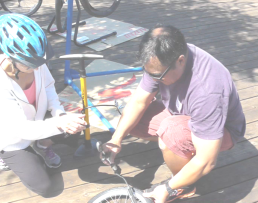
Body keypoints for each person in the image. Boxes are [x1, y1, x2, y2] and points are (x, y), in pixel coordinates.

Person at [100, 24, 246, 203]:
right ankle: (181, 151)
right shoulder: (159, 60)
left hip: (223, 131)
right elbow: (138, 101)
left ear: (181, 60)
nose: (154, 80)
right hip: (181, 114)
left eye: (158, 76)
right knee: (130, 117)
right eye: (149, 73)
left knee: (171, 132)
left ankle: (184, 186)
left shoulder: (207, 89)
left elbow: (207, 161)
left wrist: (169, 187)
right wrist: (116, 139)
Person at [0, 14, 87, 198]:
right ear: (11, 57)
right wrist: (58, 124)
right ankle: (4, 153)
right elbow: (22, 130)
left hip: (37, 123)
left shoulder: (35, 61)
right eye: (31, 64)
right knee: (47, 188)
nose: (38, 67)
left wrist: (59, 114)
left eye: (41, 61)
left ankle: (42, 144)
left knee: (76, 125)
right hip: (12, 138)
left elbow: (48, 87)